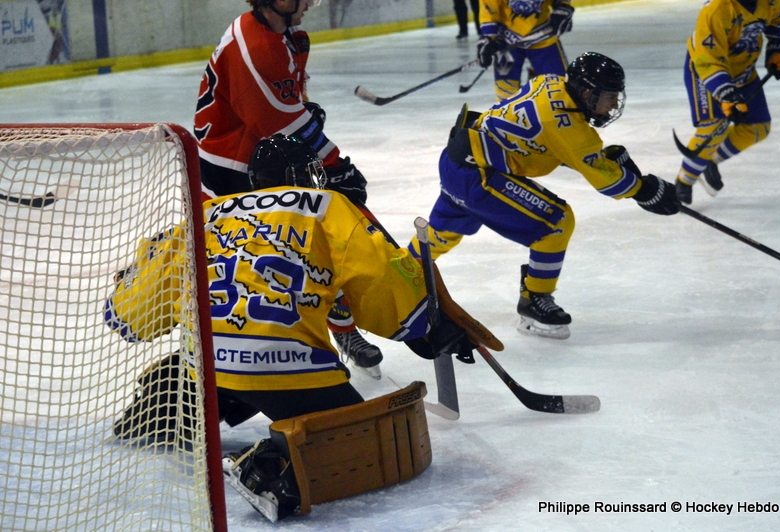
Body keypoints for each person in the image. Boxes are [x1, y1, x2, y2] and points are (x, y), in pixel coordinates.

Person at [104, 134, 474, 520]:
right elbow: (381, 279)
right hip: (287, 371)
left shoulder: (209, 212)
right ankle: (273, 467)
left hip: (209, 369)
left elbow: (129, 316)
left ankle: (169, 395)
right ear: (308, 175)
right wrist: (422, 327)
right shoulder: (327, 207)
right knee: (363, 443)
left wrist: (130, 286)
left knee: (214, 349)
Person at [408, 52, 681, 340]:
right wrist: (646, 190)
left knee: (440, 233)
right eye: (609, 97)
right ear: (586, 93)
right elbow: (608, 182)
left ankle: (401, 272)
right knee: (556, 222)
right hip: (480, 178)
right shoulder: (570, 130)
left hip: (457, 161)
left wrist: (600, 160)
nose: (613, 104)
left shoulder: (549, 81)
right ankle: (534, 302)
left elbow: (544, 141)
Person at [193, 0, 385, 377]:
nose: (312, 2)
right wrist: (335, 165)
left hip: (269, 158)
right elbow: (280, 122)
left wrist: (325, 160)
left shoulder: (291, 37)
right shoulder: (255, 46)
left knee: (315, 240)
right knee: (266, 259)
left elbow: (293, 110)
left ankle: (341, 330)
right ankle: (222, 360)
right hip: (230, 169)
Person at [674, 0, 780, 204]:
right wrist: (726, 94)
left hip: (743, 69)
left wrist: (777, 46)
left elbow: (776, 19)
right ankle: (684, 181)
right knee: (712, 128)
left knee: (757, 127)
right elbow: (706, 59)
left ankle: (709, 160)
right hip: (706, 72)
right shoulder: (716, 10)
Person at [476, 0, 575, 101]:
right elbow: (488, 7)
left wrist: (563, 7)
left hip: (543, 37)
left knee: (560, 90)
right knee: (505, 93)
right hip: (507, 38)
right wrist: (488, 37)